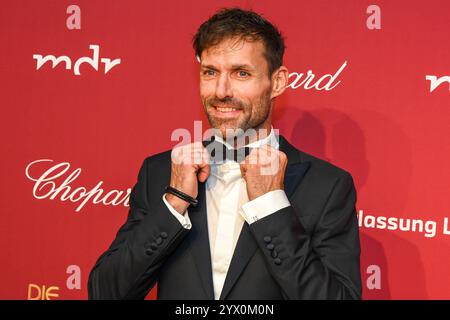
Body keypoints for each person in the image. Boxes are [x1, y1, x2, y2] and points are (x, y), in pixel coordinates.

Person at [88, 7, 362, 300]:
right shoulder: (159, 173)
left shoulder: (327, 186)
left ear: (277, 82)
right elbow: (106, 292)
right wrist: (174, 202)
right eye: (210, 72)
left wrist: (271, 206)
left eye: (241, 73)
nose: (221, 91)